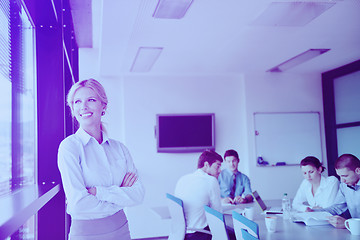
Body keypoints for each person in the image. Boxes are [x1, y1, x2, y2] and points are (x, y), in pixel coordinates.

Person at [58, 79, 145, 240]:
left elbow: (138, 195)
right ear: (72, 108)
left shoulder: (120, 149)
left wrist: (98, 192)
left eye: (91, 100)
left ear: (103, 106)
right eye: (77, 101)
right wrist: (120, 192)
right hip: (86, 234)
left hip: (121, 229)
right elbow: (78, 205)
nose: (83, 107)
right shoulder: (69, 147)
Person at [175, 150, 235, 240]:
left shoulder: (183, 179)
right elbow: (217, 215)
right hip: (199, 235)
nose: (220, 170)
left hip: (181, 234)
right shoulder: (211, 181)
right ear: (206, 165)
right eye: (217, 166)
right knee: (234, 235)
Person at [322, 154, 360, 228]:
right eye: (339, 176)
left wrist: (347, 224)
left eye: (345, 176)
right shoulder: (344, 185)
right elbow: (337, 208)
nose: (342, 180)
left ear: (358, 171)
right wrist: (313, 212)